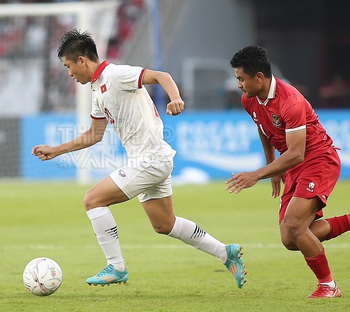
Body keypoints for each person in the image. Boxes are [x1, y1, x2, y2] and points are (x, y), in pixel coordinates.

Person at [32, 29, 247, 288]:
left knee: (92, 200)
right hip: (148, 160)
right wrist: (56, 150)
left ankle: (117, 267)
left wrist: (176, 98)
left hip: (150, 159)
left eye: (68, 66)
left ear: (82, 61)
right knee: (164, 224)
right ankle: (226, 252)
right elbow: (94, 135)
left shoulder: (116, 74)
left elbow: (160, 75)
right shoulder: (97, 91)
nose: (69, 73)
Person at [227, 45, 350, 298]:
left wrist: (257, 174)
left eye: (241, 78)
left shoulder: (291, 101)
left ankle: (329, 286)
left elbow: (297, 152)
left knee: (295, 225)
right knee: (289, 238)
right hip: (293, 164)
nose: (238, 84)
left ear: (259, 77)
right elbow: (262, 127)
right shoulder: (249, 99)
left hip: (318, 159)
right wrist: (272, 166)